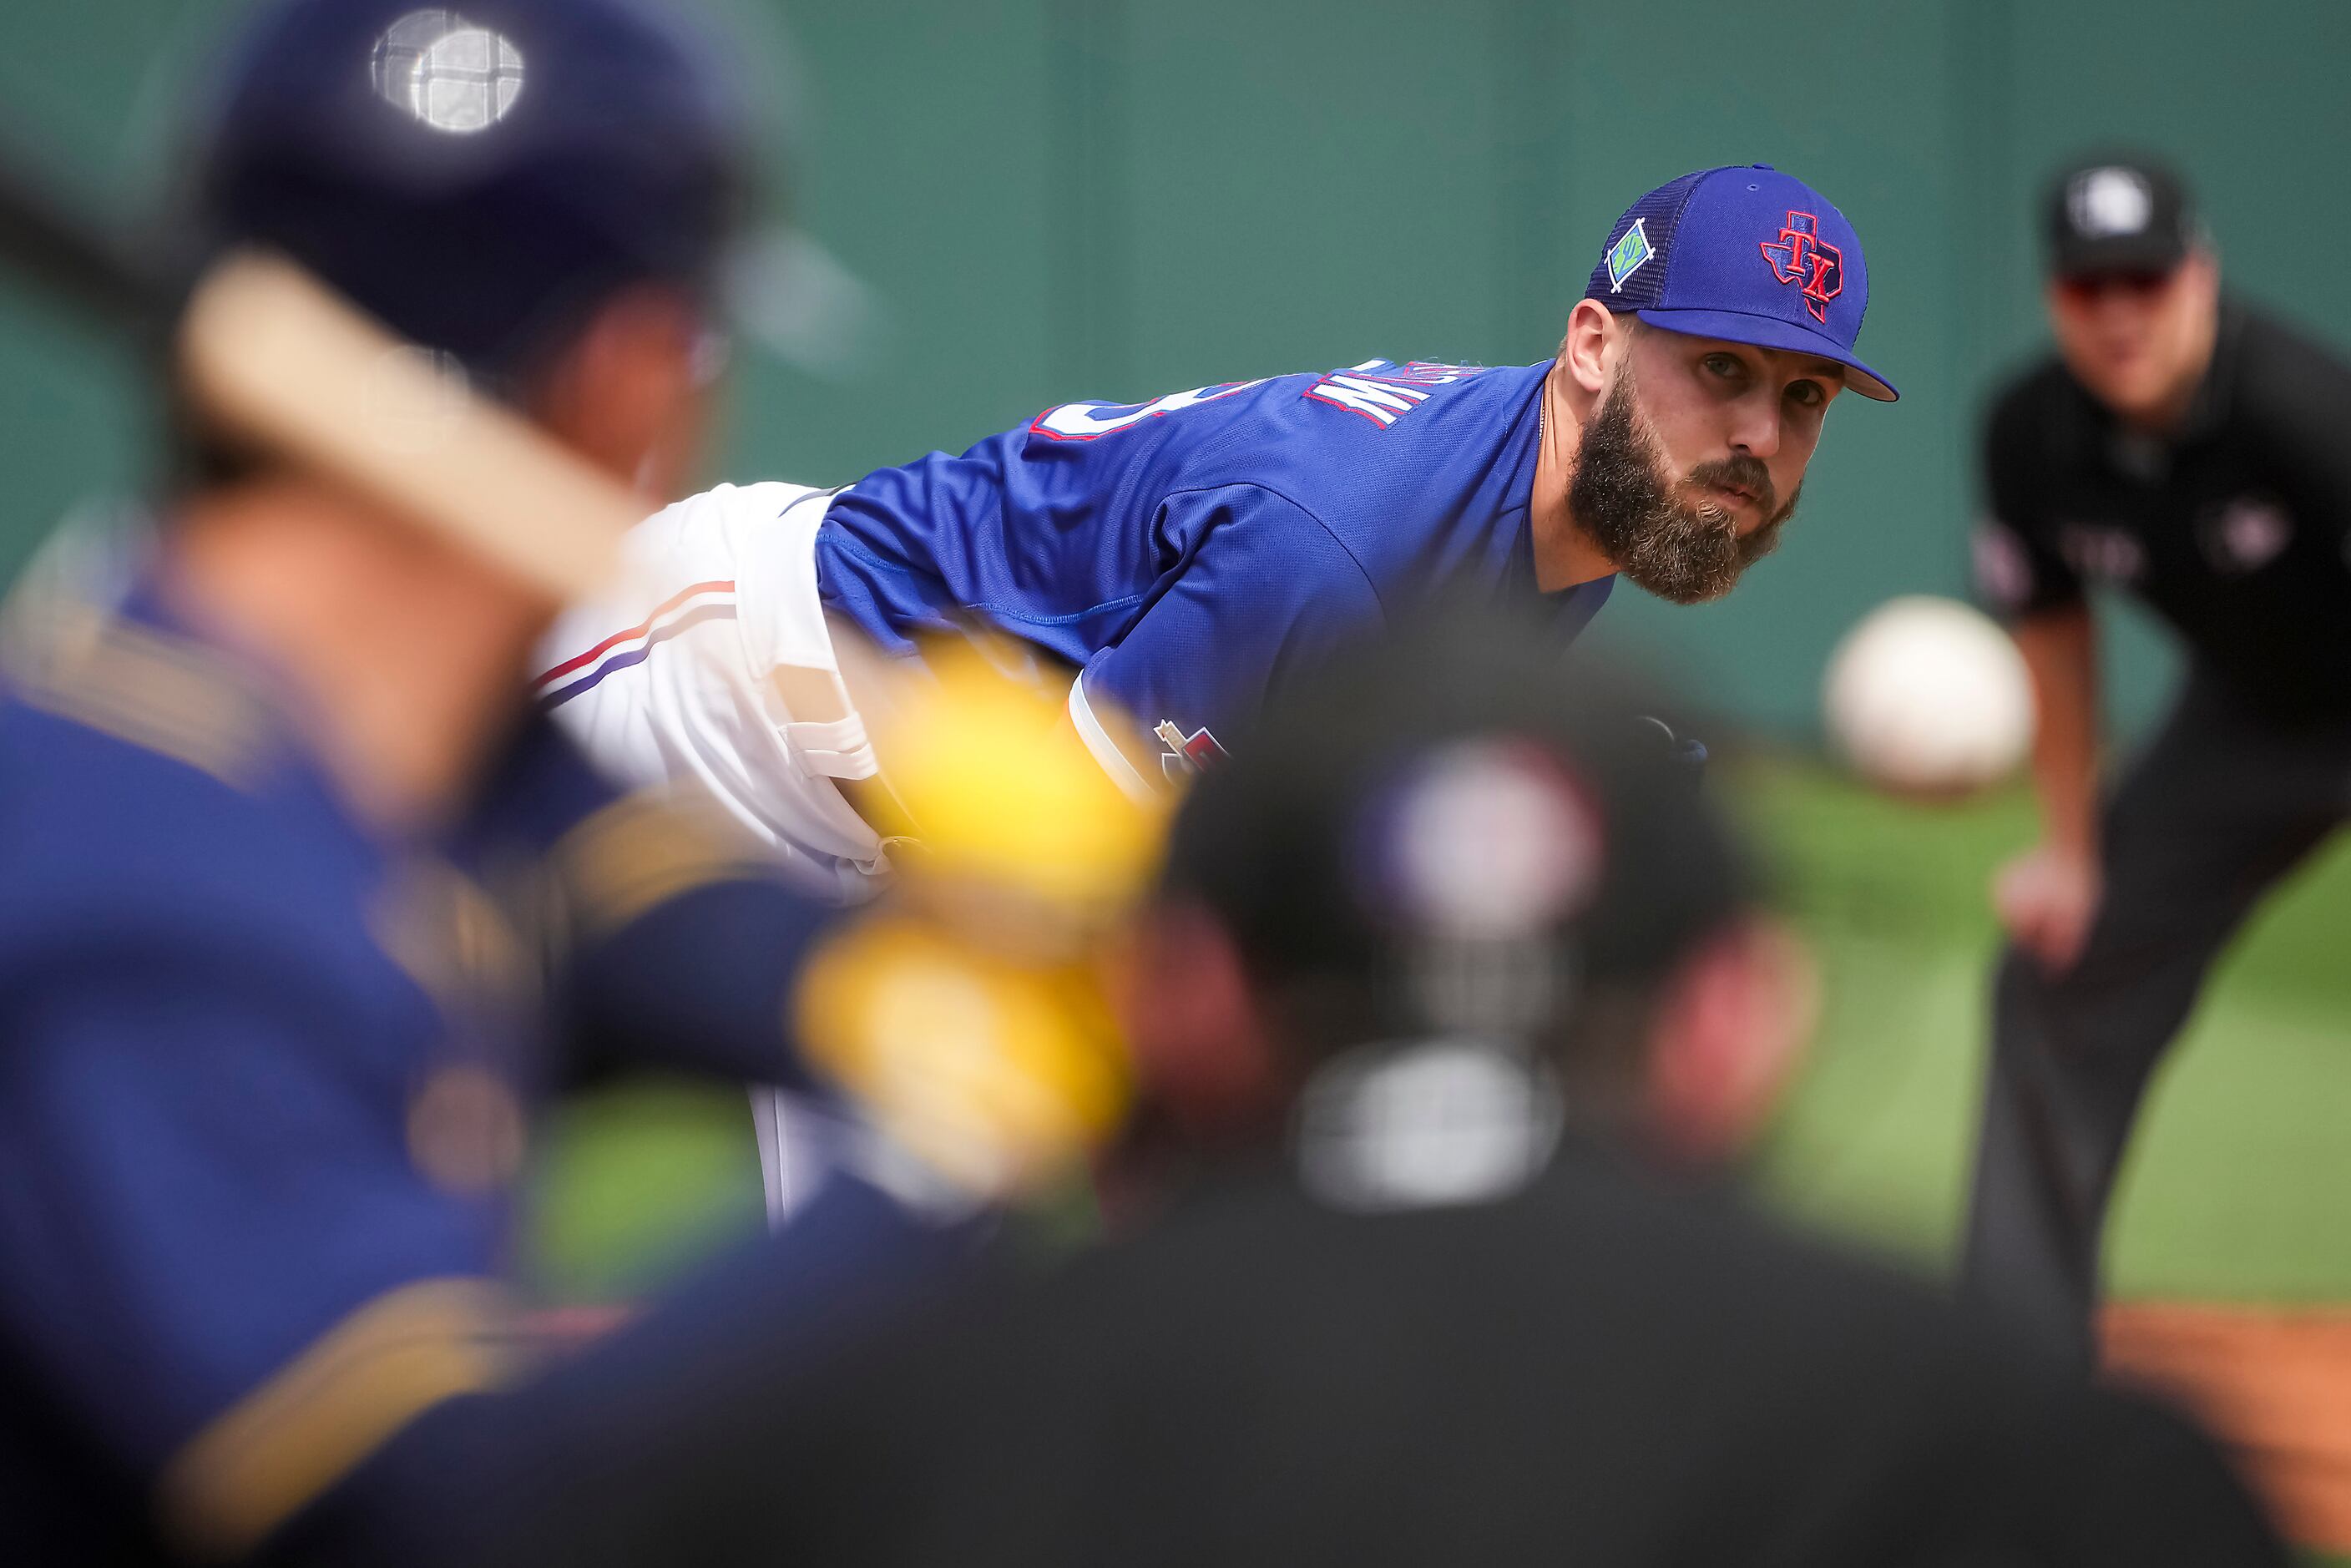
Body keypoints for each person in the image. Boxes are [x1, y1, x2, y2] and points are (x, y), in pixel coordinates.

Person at [533, 611, 2287, 1568]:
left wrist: (928, 1145)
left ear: (1180, 999)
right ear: (1734, 1020)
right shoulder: (2067, 1478)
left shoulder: (840, 1458)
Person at [0, 2, 983, 1560]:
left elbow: (637, 908)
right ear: (628, 377)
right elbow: (433, 1506)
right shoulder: (139, 883)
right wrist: (958, 1168)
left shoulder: (342, 745)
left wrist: (962, 956)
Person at [537, 162, 1900, 1210]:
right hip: (708, 667)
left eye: (1804, 401)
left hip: (883, 807)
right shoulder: (1342, 541)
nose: (1757, 437)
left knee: (882, 1329)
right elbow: (1082, 849)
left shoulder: (1557, 519)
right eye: (1720, 370)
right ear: (1594, 345)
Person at [1959, 154, 2351, 1359]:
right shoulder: (2032, 432)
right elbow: (2055, 634)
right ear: (2052, 300)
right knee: (2060, 969)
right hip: (2242, 723)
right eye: (2090, 288)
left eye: (2146, 279)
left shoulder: (2302, 409)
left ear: (2202, 277)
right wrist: (2071, 853)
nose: (2120, 313)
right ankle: (2017, 1372)